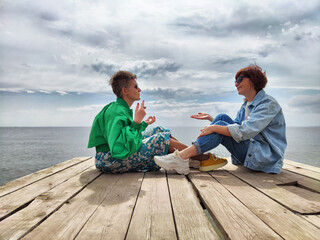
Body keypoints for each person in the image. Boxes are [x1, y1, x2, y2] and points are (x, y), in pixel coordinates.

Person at [154, 64, 287, 174]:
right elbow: (236, 126)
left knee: (220, 124)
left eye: (240, 79)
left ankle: (182, 157)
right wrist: (212, 121)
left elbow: (245, 132)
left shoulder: (268, 104)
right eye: (235, 81)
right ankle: (189, 157)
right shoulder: (246, 104)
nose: (236, 84)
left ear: (253, 80)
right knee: (221, 117)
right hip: (252, 151)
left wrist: (215, 127)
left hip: (263, 157)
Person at [88, 70, 226, 175]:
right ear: (125, 90)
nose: (139, 89)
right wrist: (137, 121)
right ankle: (202, 158)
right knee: (161, 140)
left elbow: (125, 133)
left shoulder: (120, 109)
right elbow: (118, 148)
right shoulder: (117, 112)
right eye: (136, 86)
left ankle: (188, 159)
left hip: (110, 157)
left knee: (160, 130)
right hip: (109, 160)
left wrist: (143, 124)